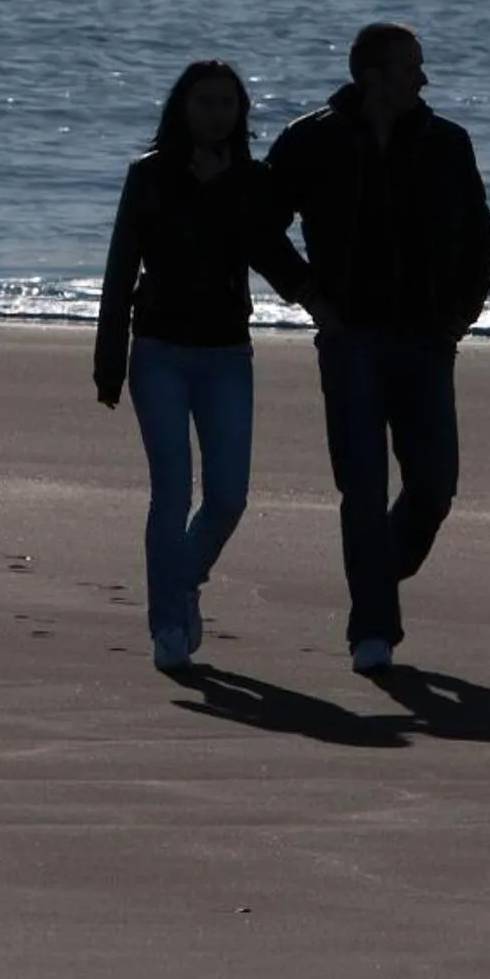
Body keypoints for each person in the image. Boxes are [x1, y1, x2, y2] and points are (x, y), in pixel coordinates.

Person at [264, 22, 490, 673]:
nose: (422, 79)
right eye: (408, 68)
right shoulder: (312, 140)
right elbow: (259, 226)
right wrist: (308, 293)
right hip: (350, 338)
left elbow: (479, 239)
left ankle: (374, 578)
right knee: (362, 488)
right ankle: (373, 629)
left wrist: (460, 315)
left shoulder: (447, 143)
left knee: (433, 488)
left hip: (427, 338)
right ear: (372, 75)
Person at [94, 59, 313, 673]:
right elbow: (120, 272)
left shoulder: (250, 180)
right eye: (205, 102)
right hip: (159, 349)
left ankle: (181, 583)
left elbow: (274, 256)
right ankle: (167, 626)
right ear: (182, 109)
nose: (217, 113)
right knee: (170, 491)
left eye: (227, 103)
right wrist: (108, 360)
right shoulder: (149, 176)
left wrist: (327, 303)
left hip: (226, 355)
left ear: (240, 112)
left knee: (227, 496)